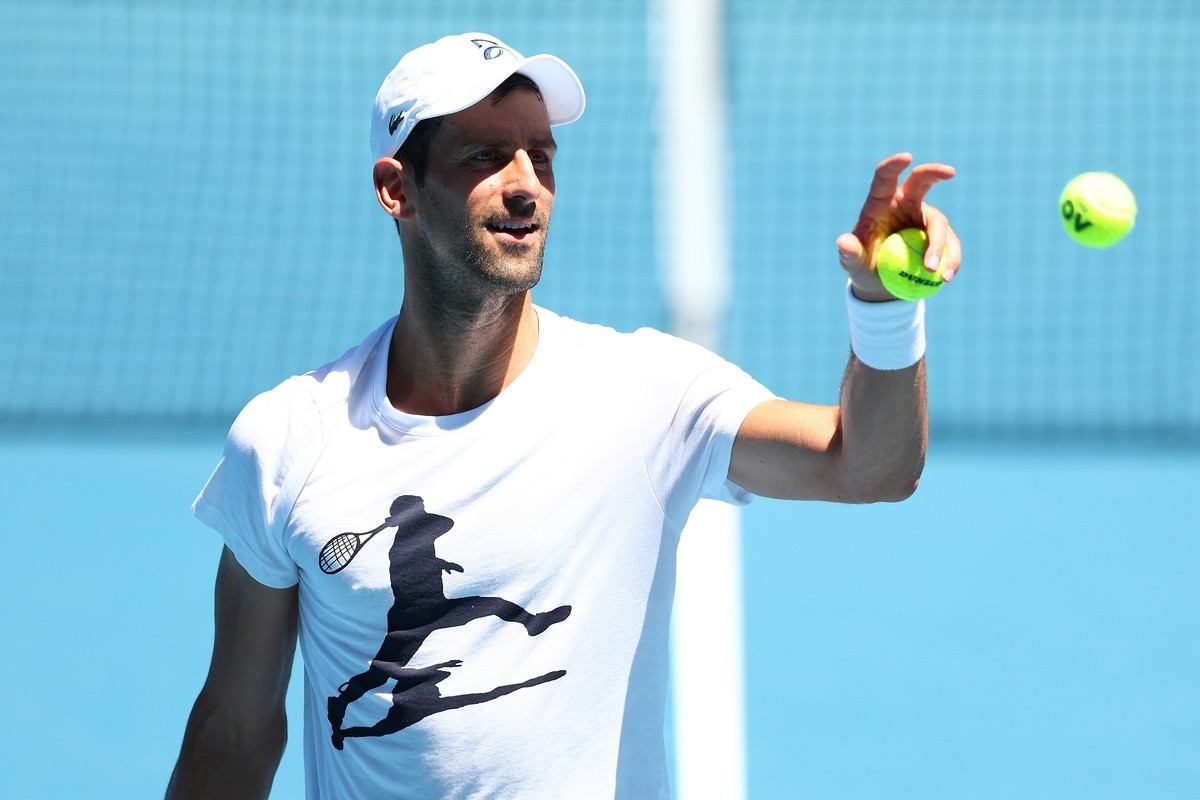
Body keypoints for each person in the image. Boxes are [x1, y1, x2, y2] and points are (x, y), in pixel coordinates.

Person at [166, 31, 961, 800]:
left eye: (540, 157)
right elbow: (234, 730)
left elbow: (869, 466)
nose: (526, 184)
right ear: (396, 188)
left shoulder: (646, 395)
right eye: (486, 156)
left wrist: (883, 308)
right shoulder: (287, 440)